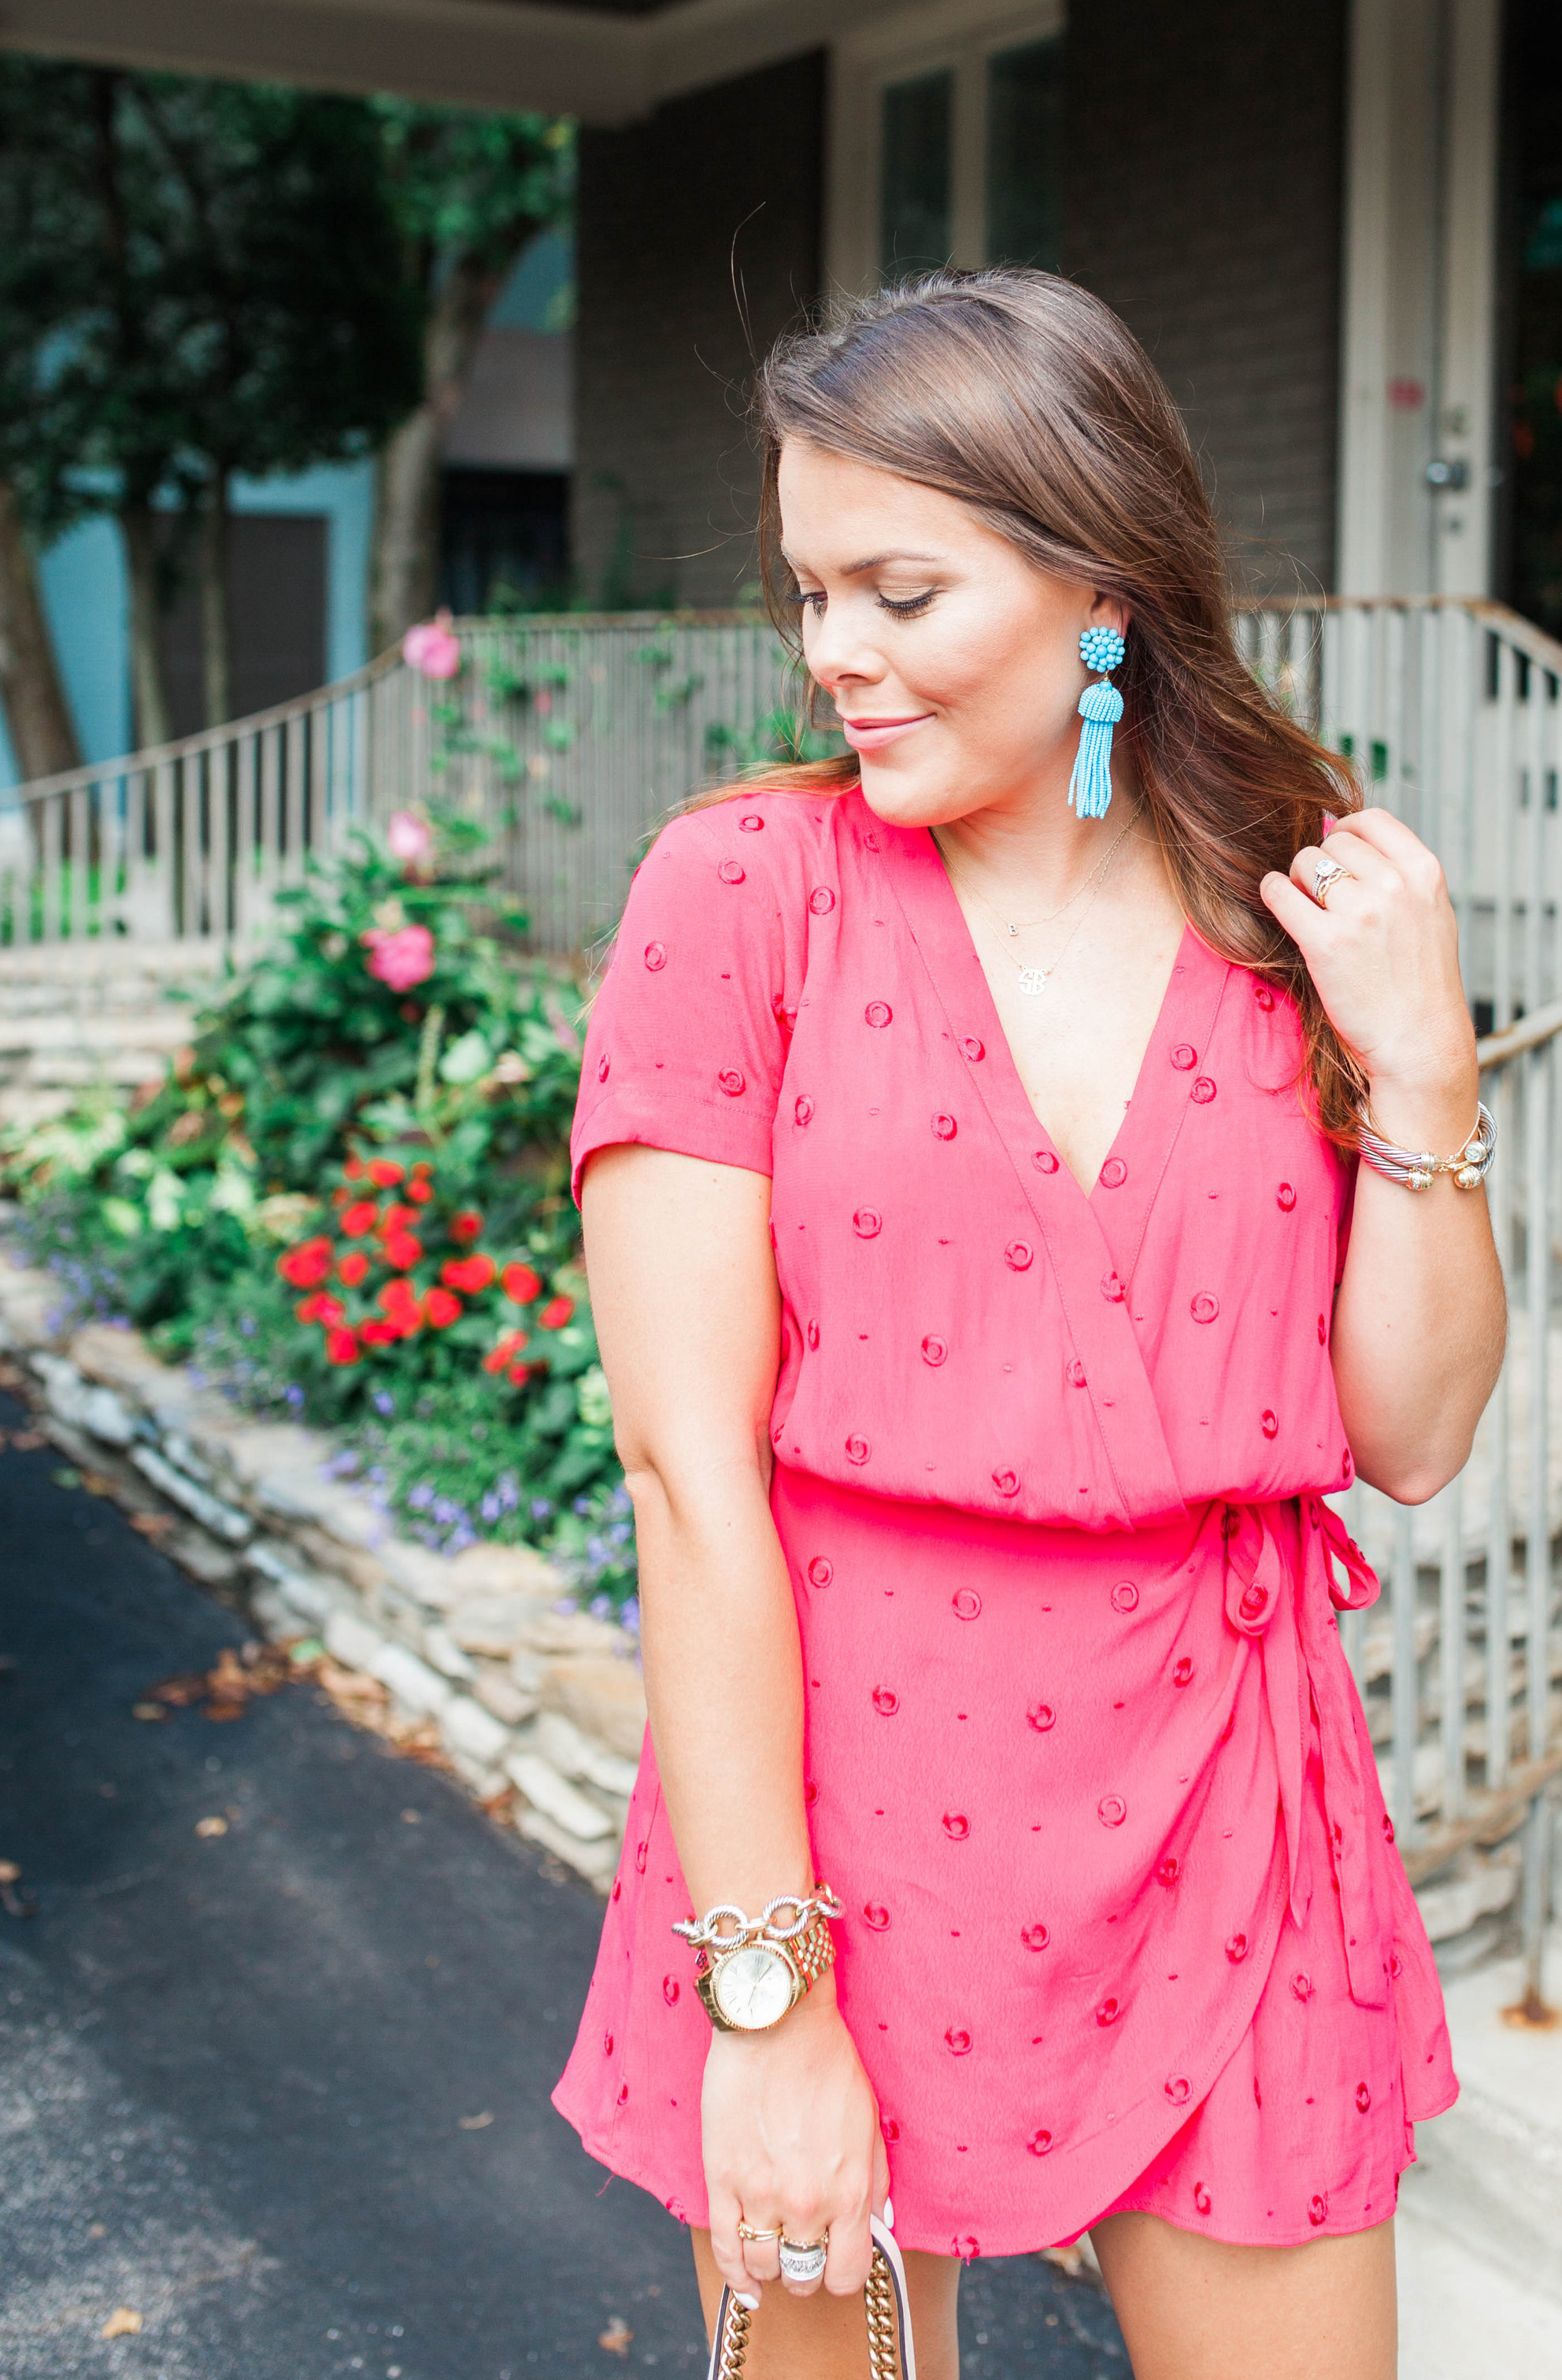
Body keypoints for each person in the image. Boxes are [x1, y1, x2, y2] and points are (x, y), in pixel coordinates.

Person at [553, 268, 1506, 2378]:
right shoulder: (741, 898)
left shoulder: (1300, 908)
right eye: (810, 595)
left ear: (1102, 589)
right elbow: (686, 1482)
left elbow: (1414, 1435)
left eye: (897, 592)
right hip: (839, 1820)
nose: (834, 660)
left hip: (1231, 1795)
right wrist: (766, 2007)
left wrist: (1424, 1088)